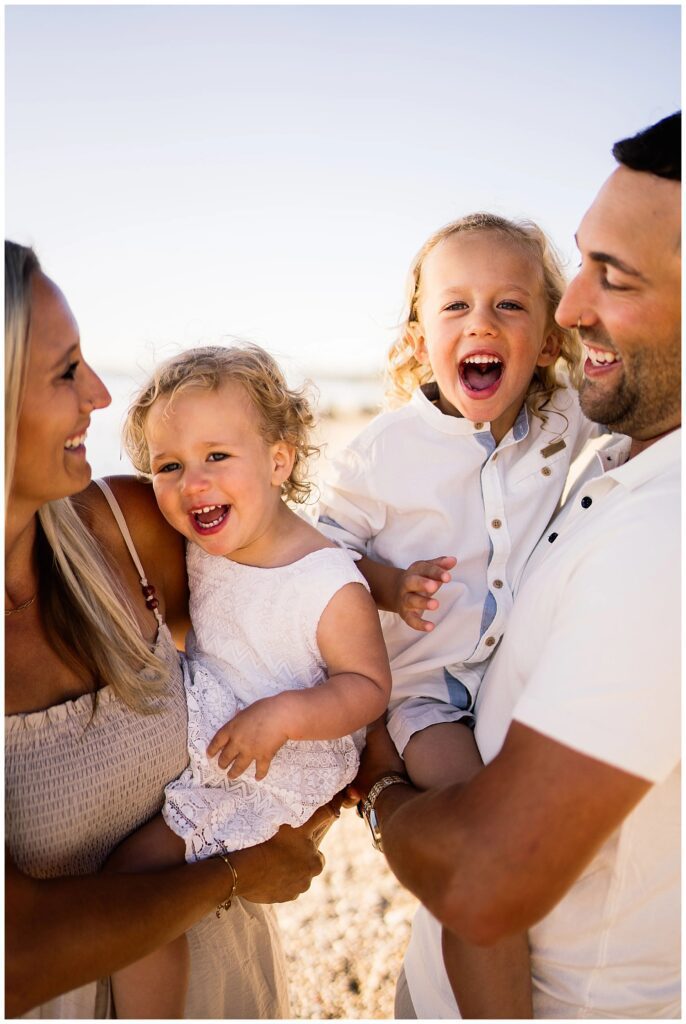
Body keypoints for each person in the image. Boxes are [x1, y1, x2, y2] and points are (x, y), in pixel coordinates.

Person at [350, 110, 681, 1018]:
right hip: (431, 978)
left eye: (611, 277)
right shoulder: (617, 447)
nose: (574, 307)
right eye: (581, 266)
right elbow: (322, 544)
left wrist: (377, 783)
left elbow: (485, 881)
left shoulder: (665, 531)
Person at [5, 242, 337, 1019]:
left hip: (224, 991)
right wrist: (235, 874)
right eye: (64, 372)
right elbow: (10, 959)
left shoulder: (130, 530)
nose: (97, 394)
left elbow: (302, 611)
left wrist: (360, 770)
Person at [317, 211, 600, 1016]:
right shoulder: (384, 449)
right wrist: (383, 580)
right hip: (429, 692)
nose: (482, 322)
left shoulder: (560, 419)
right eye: (456, 306)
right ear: (417, 337)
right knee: (478, 851)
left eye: (511, 306)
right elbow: (320, 554)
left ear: (548, 339)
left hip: (520, 673)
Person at [102, 344, 392, 1017]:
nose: (191, 482)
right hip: (220, 714)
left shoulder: (325, 581)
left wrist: (287, 714)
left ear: (279, 461)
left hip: (277, 755)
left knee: (135, 879)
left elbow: (367, 687)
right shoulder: (210, 547)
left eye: (216, 457)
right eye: (169, 466)